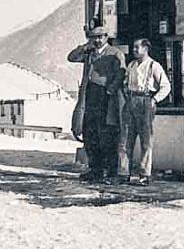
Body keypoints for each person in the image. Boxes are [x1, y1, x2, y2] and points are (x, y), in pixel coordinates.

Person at [68, 26, 126, 182]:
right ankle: (95, 169)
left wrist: (111, 89)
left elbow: (121, 73)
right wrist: (83, 47)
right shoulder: (89, 53)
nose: (97, 40)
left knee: (107, 136)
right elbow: (71, 57)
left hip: (106, 99)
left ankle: (111, 172)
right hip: (90, 98)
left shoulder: (115, 53)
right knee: (90, 134)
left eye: (100, 37)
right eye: (94, 37)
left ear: (106, 37)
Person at [113, 38, 170, 186]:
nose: (134, 50)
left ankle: (144, 175)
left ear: (145, 49)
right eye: (134, 47)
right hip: (131, 101)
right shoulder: (131, 65)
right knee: (125, 139)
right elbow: (125, 83)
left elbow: (166, 86)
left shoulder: (154, 65)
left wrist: (155, 99)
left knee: (146, 140)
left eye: (137, 47)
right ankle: (123, 173)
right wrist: (126, 96)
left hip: (146, 101)